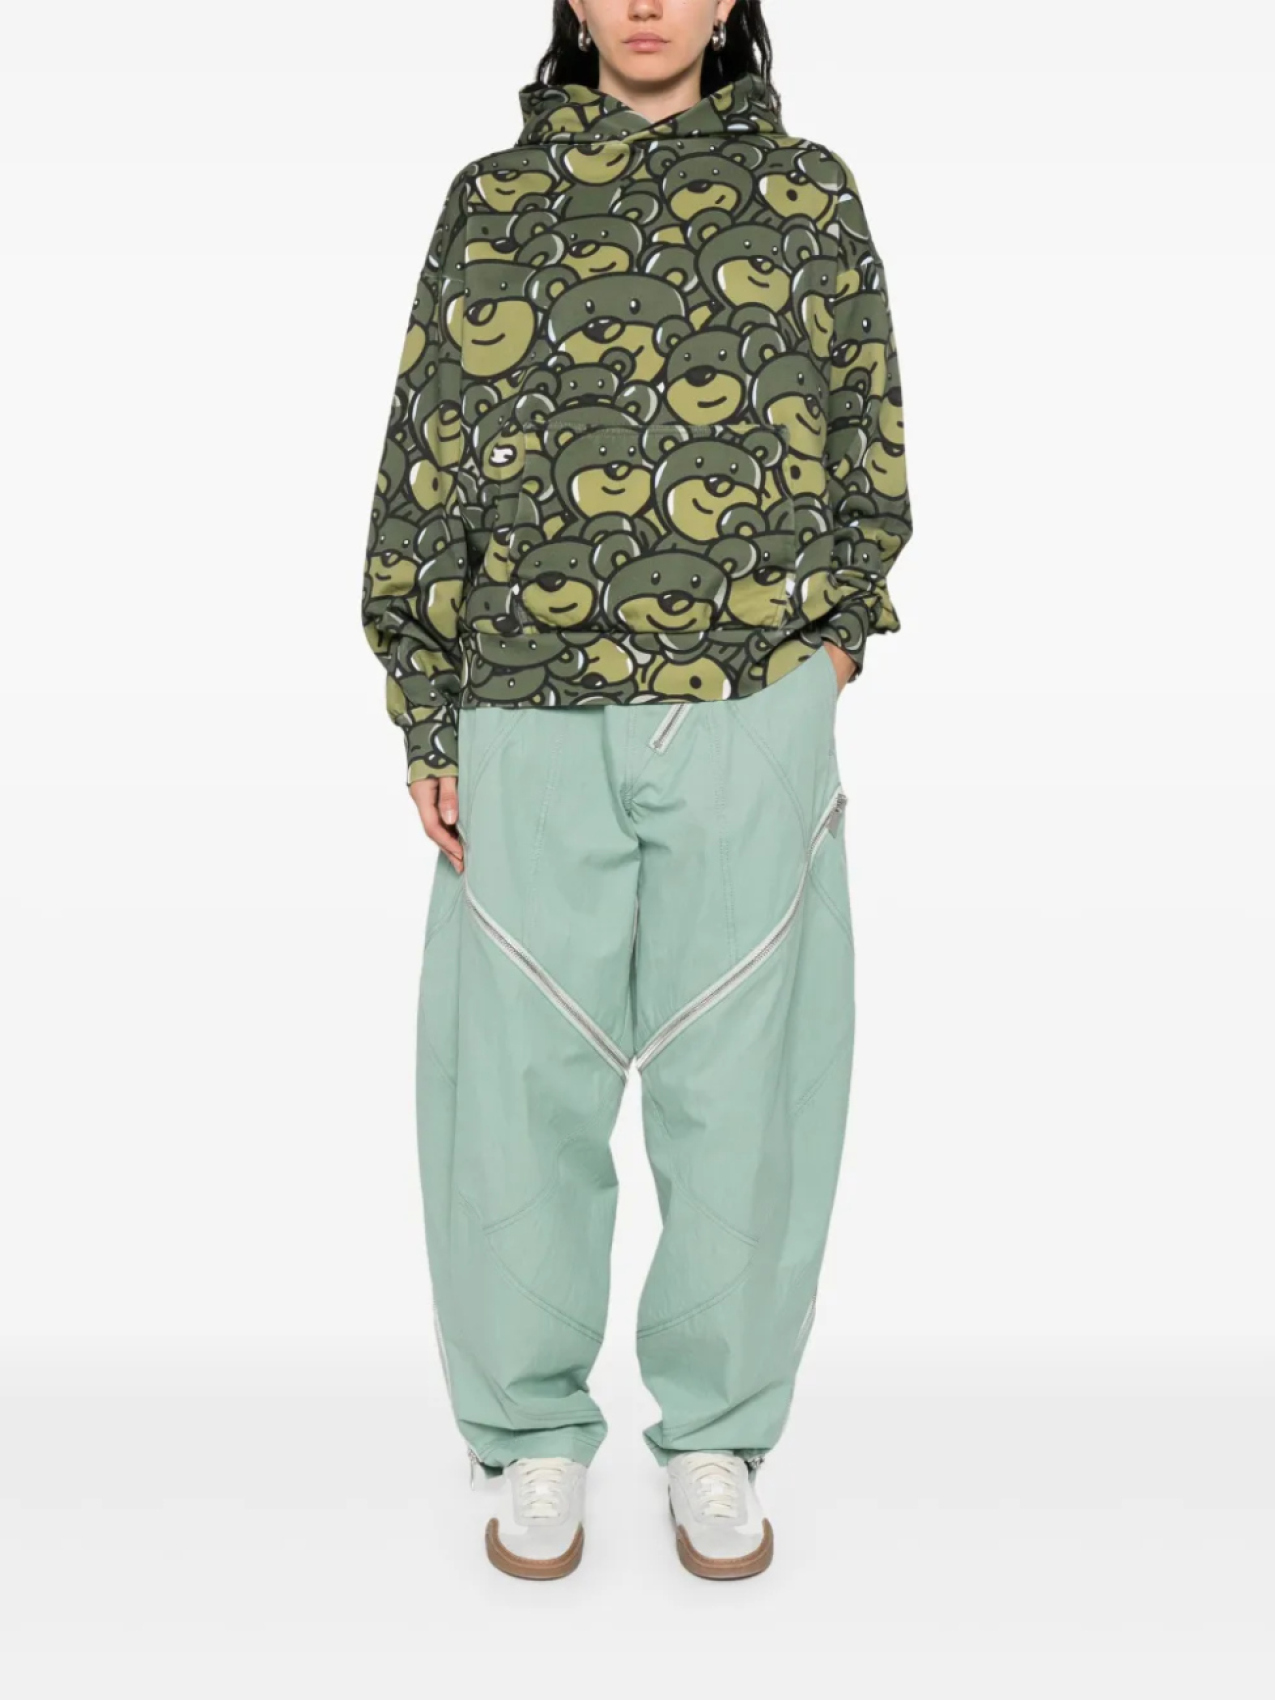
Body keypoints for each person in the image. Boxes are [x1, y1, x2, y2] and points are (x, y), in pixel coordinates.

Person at [360, 0, 912, 1581]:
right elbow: (426, 454)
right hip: (523, 702)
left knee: (750, 1086)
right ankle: (531, 1437)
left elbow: (869, 432)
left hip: (752, 702)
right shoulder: (493, 200)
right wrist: (426, 707)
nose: (649, 3)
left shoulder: (807, 193)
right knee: (510, 1090)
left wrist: (832, 649)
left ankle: (720, 1437)